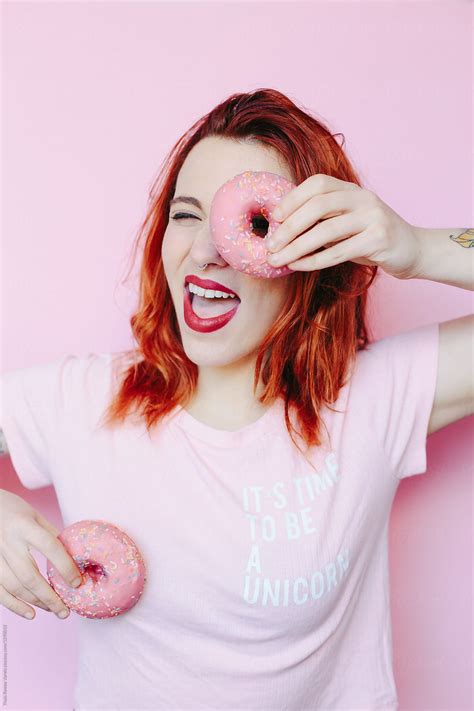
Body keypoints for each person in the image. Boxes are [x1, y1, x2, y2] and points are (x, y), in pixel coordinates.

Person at [0, 88, 472, 710]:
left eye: (248, 223)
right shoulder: (82, 400)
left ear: (314, 254)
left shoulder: (372, 401)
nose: (204, 252)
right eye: (186, 214)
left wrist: (417, 249)